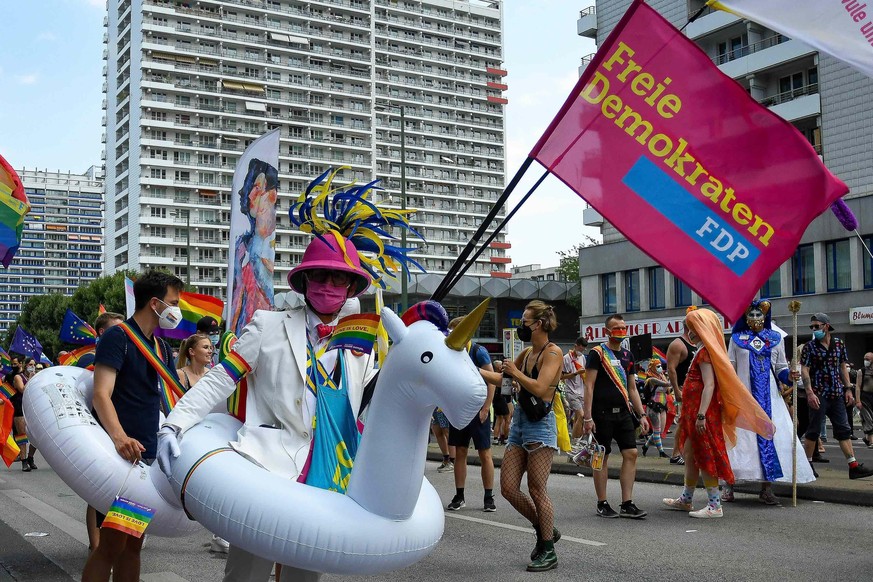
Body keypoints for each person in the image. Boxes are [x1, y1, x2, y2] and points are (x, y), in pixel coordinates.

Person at [158, 234, 378, 582]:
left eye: (339, 278)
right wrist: (175, 423)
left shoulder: (362, 343)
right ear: (305, 281)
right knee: (247, 574)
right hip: (265, 472)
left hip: (326, 476)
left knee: (304, 576)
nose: (329, 286)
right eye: (321, 276)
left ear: (351, 287)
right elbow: (221, 378)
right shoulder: (268, 325)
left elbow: (371, 405)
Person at [82, 271, 185, 582]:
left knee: (133, 546)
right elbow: (101, 393)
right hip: (121, 458)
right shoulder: (118, 337)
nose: (176, 311)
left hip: (146, 458)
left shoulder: (162, 347)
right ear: (154, 303)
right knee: (111, 545)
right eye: (173, 303)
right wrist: (119, 438)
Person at [662, 308, 774, 518]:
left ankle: (714, 505)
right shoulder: (702, 350)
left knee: (705, 455)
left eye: (692, 327)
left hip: (701, 414)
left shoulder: (705, 353)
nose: (689, 332)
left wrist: (702, 415)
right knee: (690, 454)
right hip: (693, 413)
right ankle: (686, 499)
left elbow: (709, 385)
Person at [488, 301, 562, 572]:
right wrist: (471, 369)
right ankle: (545, 530)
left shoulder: (553, 353)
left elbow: (542, 388)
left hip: (540, 426)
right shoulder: (529, 352)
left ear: (539, 325)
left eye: (525, 322)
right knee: (508, 488)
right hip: (520, 423)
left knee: (536, 488)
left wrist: (515, 372)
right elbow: (503, 380)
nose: (521, 327)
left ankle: (548, 550)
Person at [721, 300, 815, 505]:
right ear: (745, 318)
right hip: (744, 397)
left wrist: (790, 376)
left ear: (765, 317)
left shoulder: (775, 339)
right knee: (741, 442)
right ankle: (728, 485)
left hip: (770, 398)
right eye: (751, 315)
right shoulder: (737, 340)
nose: (755, 319)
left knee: (771, 438)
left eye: (759, 315)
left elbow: (780, 368)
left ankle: (766, 488)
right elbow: (730, 368)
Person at [581, 314, 650, 519]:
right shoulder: (597, 353)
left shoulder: (628, 356)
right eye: (616, 328)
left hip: (624, 414)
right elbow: (589, 385)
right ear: (607, 331)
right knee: (601, 456)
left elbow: (632, 389)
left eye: (623, 328)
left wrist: (642, 414)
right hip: (601, 414)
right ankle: (602, 502)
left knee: (631, 454)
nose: (621, 331)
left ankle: (627, 502)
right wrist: (587, 417)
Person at [801, 313, 873, 480]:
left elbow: (842, 367)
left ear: (826, 326)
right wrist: (810, 392)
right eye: (812, 327)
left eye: (816, 326)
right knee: (813, 430)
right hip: (819, 393)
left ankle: (853, 466)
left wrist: (848, 389)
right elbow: (805, 370)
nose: (814, 329)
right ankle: (807, 465)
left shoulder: (839, 344)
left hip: (836, 393)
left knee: (844, 429)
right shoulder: (809, 347)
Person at [446, 317, 496, 512]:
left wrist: (486, 408)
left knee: (485, 453)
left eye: (453, 331)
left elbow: (492, 380)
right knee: (460, 451)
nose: (450, 335)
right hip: (459, 409)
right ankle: (459, 496)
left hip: (478, 410)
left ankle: (488, 497)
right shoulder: (450, 352)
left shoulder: (478, 351)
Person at [85, 311, 125, 553]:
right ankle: (97, 545)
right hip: (101, 426)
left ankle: (118, 542)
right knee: (96, 492)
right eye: (118, 329)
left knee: (124, 490)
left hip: (126, 424)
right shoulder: (97, 356)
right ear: (103, 332)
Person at [665, 325, 697, 465]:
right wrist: (677, 390)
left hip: (695, 390)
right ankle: (676, 454)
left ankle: (689, 452)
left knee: (693, 423)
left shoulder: (696, 343)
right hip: (683, 388)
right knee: (683, 421)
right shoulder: (678, 344)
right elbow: (671, 368)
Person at [5, 356, 37, 471]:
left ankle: (30, 457)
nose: (32, 367)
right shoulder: (19, 377)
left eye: (34, 365)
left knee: (36, 436)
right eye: (30, 365)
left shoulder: (36, 376)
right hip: (19, 408)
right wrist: (31, 378)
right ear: (25, 365)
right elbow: (23, 390)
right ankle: (24, 461)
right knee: (21, 435)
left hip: (32, 408)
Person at [641, 358, 670, 458]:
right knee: (657, 430)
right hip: (653, 406)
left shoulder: (661, 376)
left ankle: (645, 446)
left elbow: (668, 390)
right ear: (653, 367)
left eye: (660, 365)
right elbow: (667, 384)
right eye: (658, 366)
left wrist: (663, 375)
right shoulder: (651, 379)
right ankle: (661, 452)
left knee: (660, 431)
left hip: (662, 406)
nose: (660, 368)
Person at [562, 337, 588, 438]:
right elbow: (562, 376)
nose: (582, 351)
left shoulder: (582, 358)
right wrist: (576, 373)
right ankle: (576, 439)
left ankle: (578, 438)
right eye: (581, 349)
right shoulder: (566, 358)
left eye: (584, 349)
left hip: (581, 390)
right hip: (571, 391)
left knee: (579, 417)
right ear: (576, 345)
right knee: (581, 415)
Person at [856, 353, 873, 448]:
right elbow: (858, 386)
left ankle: (867, 438)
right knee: (869, 419)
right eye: (864, 358)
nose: (866, 360)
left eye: (868, 359)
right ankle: (871, 441)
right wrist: (858, 400)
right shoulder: (861, 371)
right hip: (865, 397)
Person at [431, 408, 455, 472]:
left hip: (443, 405)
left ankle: (453, 461)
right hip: (435, 405)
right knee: (436, 429)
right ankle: (446, 458)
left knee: (446, 430)